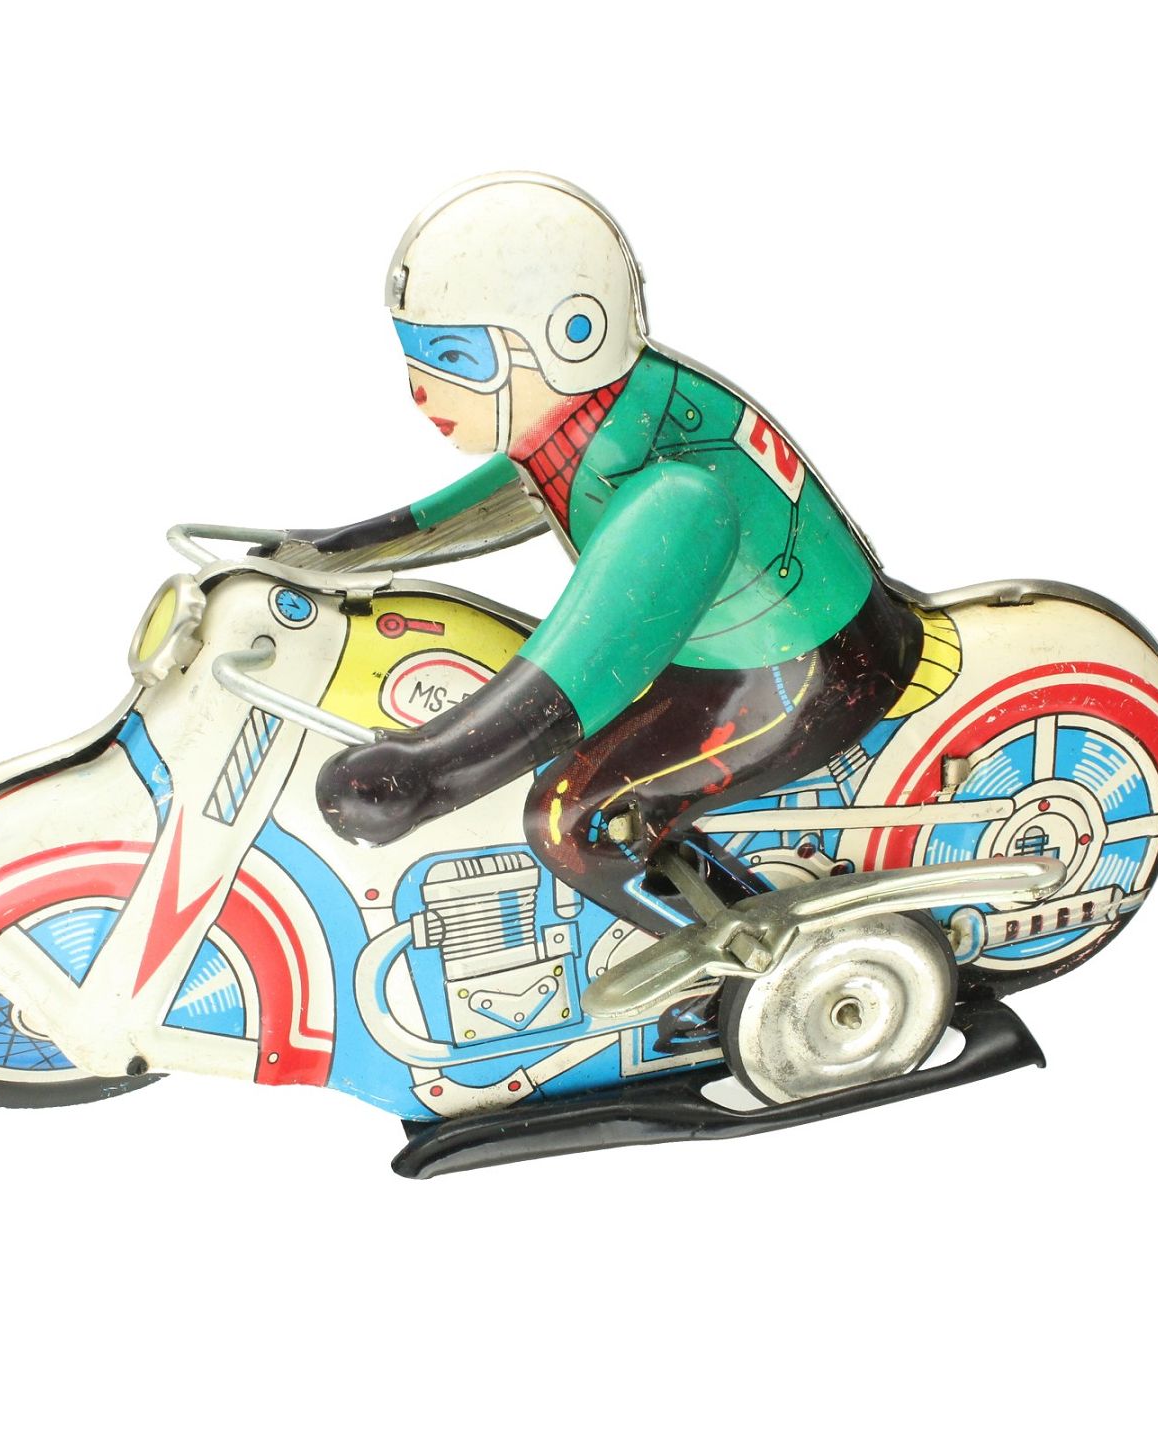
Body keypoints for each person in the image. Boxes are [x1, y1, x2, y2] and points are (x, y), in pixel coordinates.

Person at [291, 172, 922, 933]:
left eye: (457, 357)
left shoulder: (675, 496)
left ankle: (763, 969)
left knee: (572, 823)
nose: (422, 390)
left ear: (573, 337)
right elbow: (522, 486)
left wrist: (433, 767)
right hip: (734, 644)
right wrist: (342, 550)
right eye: (416, 357)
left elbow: (592, 654)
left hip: (796, 669)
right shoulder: (599, 415)